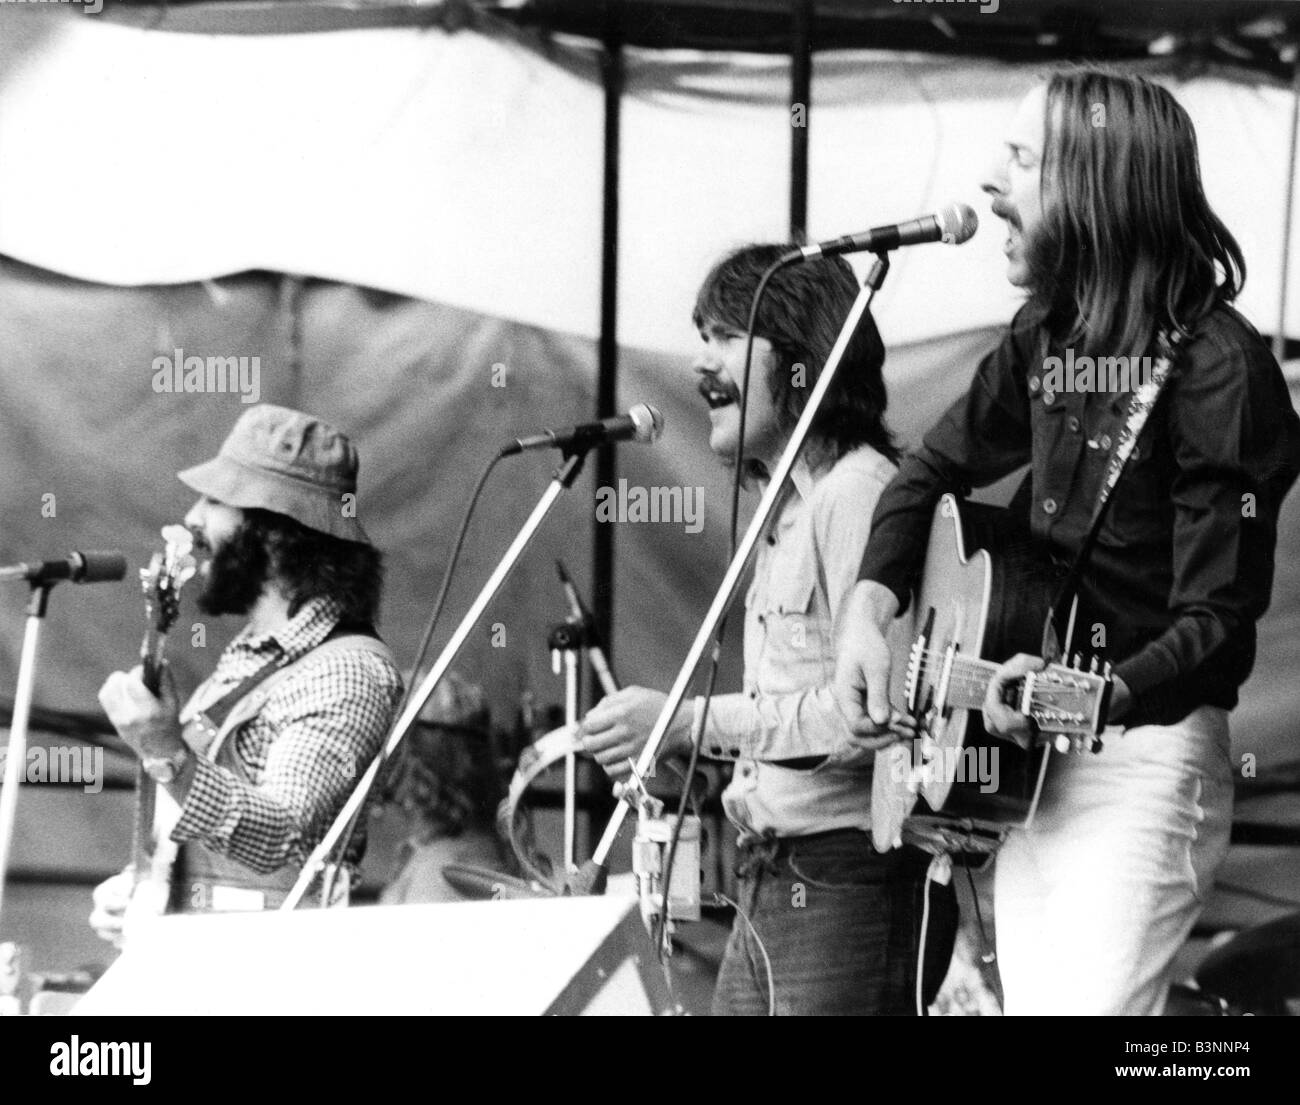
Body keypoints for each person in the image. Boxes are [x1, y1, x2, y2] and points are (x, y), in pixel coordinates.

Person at [834, 68, 1300, 1015]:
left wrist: (1098, 692)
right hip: (1025, 776)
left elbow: (1219, 620)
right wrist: (869, 609)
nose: (990, 185)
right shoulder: (1047, 339)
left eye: (1020, 160)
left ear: (1094, 186)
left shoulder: (1221, 372)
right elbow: (927, 475)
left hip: (1143, 765)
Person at [578, 244, 956, 1015]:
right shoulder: (789, 509)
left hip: (842, 875)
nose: (698, 363)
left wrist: (688, 722)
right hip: (776, 876)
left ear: (799, 361)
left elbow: (871, 717)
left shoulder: (856, 494)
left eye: (724, 335)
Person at [91, 404, 403, 941]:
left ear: (279, 533)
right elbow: (205, 842)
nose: (193, 517)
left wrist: (167, 753)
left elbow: (280, 833)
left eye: (217, 499)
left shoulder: (347, 671)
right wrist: (146, 893)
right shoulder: (255, 653)